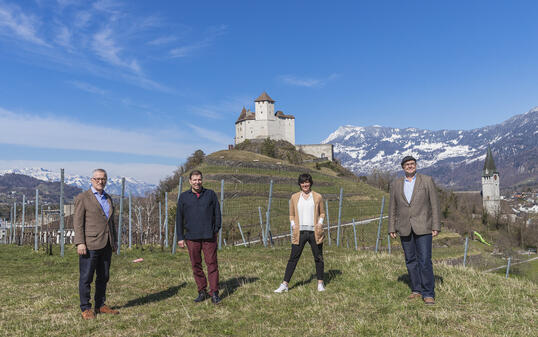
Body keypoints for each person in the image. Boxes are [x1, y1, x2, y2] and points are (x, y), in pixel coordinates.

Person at [388, 156, 440, 305]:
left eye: (412, 164)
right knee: (410, 260)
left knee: (424, 260)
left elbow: (435, 204)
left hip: (423, 226)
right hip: (404, 227)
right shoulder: (396, 184)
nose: (410, 166)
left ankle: (428, 293)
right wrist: (392, 227)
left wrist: (436, 226)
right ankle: (416, 290)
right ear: (403, 167)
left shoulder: (427, 180)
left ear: (416, 166)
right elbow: (392, 207)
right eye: (407, 165)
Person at [73, 168, 119, 319]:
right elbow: (77, 222)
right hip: (89, 244)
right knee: (86, 277)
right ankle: (86, 308)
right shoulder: (83, 197)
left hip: (106, 243)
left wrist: (114, 241)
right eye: (97, 179)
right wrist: (80, 242)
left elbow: (111, 223)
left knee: (104, 276)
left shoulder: (108, 198)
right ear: (92, 180)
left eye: (103, 179)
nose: (101, 181)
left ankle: (100, 305)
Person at [274, 173, 326, 293]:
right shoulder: (294, 197)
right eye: (302, 182)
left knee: (318, 257)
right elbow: (291, 214)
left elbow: (322, 212)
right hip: (300, 232)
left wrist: (320, 222)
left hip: (314, 232)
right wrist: (293, 225)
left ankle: (320, 283)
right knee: (293, 258)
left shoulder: (318, 197)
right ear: (300, 184)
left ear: (310, 183)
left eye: (307, 182)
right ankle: (284, 284)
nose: (305, 184)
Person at [176, 170, 222, 304]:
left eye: (199, 179)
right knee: (196, 265)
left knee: (212, 264)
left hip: (209, 236)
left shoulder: (210, 195)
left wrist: (216, 229)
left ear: (202, 180)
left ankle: (214, 292)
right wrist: (180, 237)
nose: (197, 182)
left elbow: (217, 214)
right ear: (190, 181)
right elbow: (179, 218)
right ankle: (202, 291)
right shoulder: (184, 197)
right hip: (191, 237)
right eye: (194, 180)